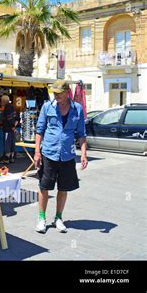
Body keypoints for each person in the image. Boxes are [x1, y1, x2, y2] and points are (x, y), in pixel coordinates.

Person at [34, 80, 88, 233]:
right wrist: (37, 152)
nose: (55, 95)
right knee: (44, 187)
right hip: (48, 153)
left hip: (67, 155)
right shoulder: (47, 107)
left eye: (59, 92)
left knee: (63, 187)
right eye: (54, 92)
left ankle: (58, 217)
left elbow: (81, 134)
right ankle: (41, 218)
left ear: (67, 92)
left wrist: (84, 154)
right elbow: (40, 130)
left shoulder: (77, 109)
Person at [1, 95, 19, 164]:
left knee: (7, 144)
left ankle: (6, 159)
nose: (1, 102)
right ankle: (12, 158)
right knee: (12, 143)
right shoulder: (12, 107)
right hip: (11, 128)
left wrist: (12, 126)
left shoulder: (7, 107)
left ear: (4, 101)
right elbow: (17, 118)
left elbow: (9, 118)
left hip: (8, 129)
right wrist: (14, 126)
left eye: (1, 100)